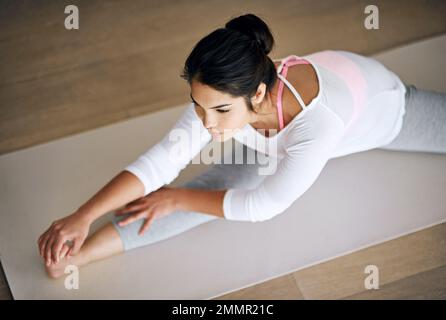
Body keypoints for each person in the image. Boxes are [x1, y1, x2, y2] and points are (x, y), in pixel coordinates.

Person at [37, 13, 446, 279]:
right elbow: (161, 163)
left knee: (186, 197)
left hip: (389, 107)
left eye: (218, 110)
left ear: (258, 93)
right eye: (198, 107)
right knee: (193, 189)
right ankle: (83, 252)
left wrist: (177, 199)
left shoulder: (318, 124)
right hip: (261, 131)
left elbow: (263, 206)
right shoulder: (224, 101)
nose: (207, 125)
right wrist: (82, 215)